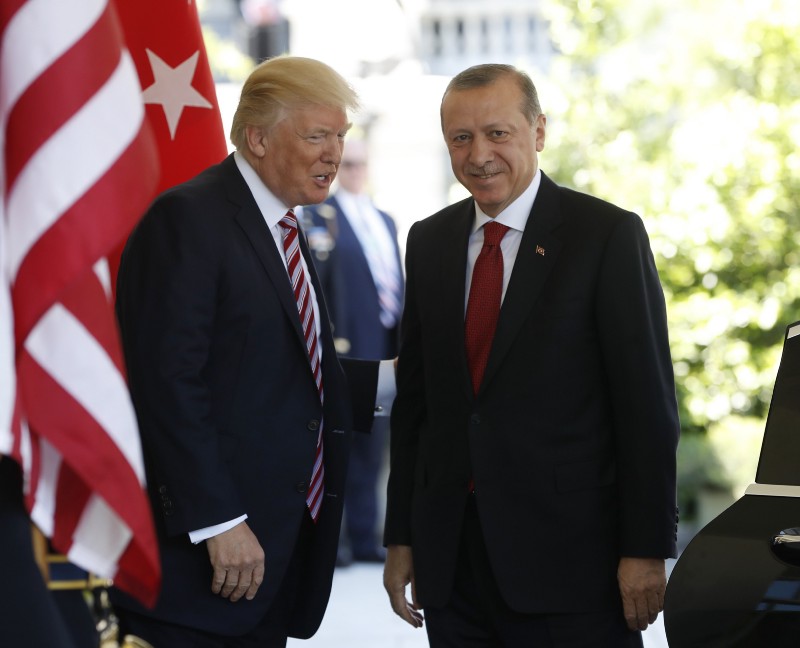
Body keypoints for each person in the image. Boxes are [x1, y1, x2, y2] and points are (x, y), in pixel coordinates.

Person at [383, 63, 680, 647]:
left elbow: (646, 407)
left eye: (498, 133)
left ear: (538, 132)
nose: (479, 155)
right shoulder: (429, 240)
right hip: (454, 570)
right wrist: (402, 538)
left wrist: (645, 550)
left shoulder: (606, 236)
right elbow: (418, 406)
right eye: (460, 138)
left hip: (572, 567)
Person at [112, 55, 393, 647]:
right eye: (317, 135)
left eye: (340, 136)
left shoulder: (288, 228)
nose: (334, 153)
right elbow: (166, 383)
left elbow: (284, 370)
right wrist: (218, 520)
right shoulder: (188, 219)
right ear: (256, 138)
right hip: (204, 575)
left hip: (274, 563)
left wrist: (398, 380)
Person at [303, 138, 404, 565]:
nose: (356, 171)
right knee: (340, 445)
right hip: (346, 348)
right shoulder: (321, 217)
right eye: (350, 164)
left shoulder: (383, 218)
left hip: (384, 345)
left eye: (363, 163)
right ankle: (337, 542)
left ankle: (366, 537)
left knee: (374, 446)